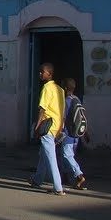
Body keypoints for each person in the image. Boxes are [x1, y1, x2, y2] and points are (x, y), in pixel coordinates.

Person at [30, 63, 65, 195]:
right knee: (44, 155)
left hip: (47, 126)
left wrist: (37, 127)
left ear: (49, 74)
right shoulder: (60, 90)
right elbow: (62, 111)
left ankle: (58, 188)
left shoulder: (46, 88)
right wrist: (61, 126)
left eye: (42, 72)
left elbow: (42, 109)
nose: (40, 74)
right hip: (56, 126)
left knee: (51, 157)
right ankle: (37, 180)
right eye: (39, 72)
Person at [58, 78, 88, 190]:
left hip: (68, 132)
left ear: (65, 88)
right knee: (68, 155)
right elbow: (82, 116)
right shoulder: (77, 99)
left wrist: (59, 131)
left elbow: (63, 118)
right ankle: (65, 176)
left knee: (67, 155)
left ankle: (79, 175)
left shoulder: (66, 101)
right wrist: (85, 132)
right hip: (77, 133)